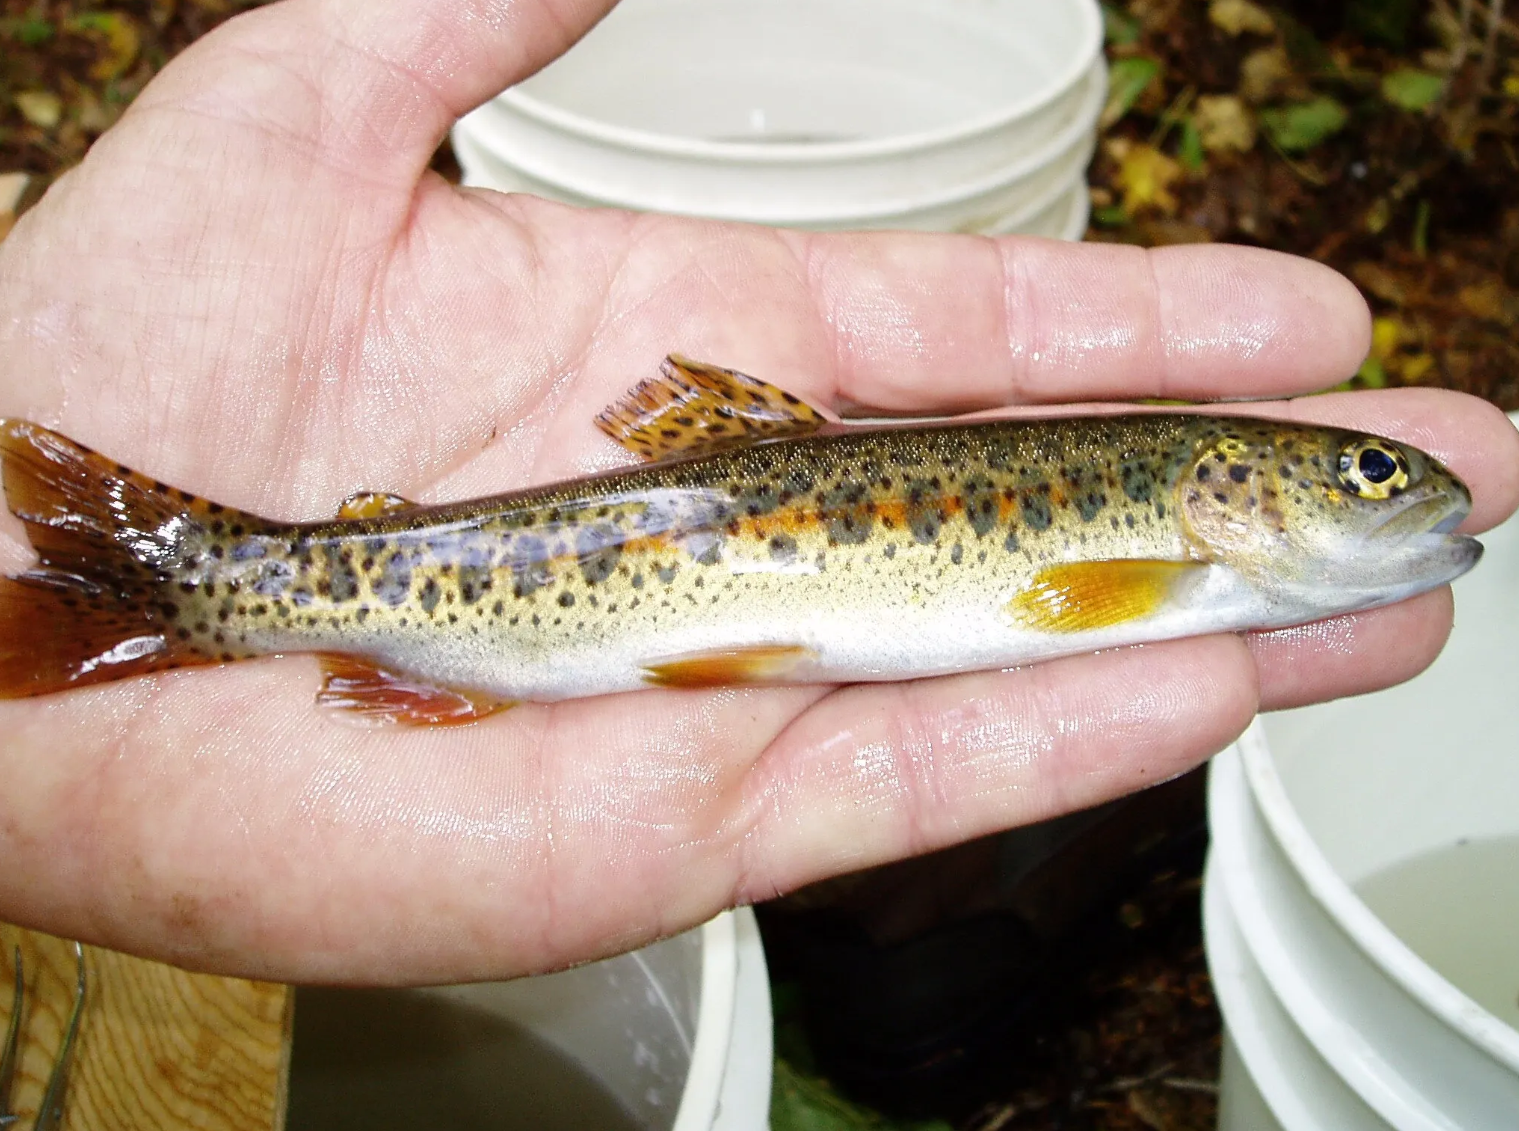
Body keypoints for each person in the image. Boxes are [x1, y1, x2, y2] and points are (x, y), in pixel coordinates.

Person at [0, 0, 1514, 986]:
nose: (1403, 497)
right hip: (573, 573)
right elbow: (1068, 602)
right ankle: (198, 587)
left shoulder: (1191, 542)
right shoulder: (1160, 553)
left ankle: (202, 589)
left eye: (1372, 471)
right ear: (1234, 493)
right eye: (1369, 476)